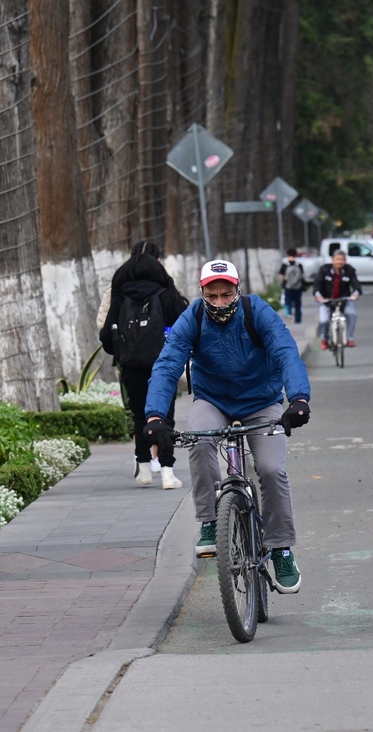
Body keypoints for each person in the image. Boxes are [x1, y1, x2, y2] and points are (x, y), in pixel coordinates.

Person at [143, 260, 311, 593]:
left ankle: (281, 548)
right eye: (212, 295)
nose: (220, 302)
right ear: (202, 293)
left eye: (226, 294)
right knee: (201, 444)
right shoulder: (192, 318)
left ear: (237, 289)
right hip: (214, 400)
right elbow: (167, 365)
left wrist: (299, 399)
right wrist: (154, 416)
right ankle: (209, 522)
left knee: (270, 467)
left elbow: (285, 351)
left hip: (261, 401)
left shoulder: (257, 311)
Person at [98, 241, 189, 489]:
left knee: (140, 416)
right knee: (165, 416)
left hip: (131, 366)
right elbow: (185, 324)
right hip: (163, 364)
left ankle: (144, 469)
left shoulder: (120, 293)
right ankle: (168, 472)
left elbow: (106, 335)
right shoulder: (165, 290)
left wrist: (122, 353)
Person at [314, 250, 361, 349]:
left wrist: (355, 294)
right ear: (332, 260)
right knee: (324, 320)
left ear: (345, 260)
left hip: (344, 300)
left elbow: (356, 284)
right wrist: (318, 296)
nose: (340, 262)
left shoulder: (350, 270)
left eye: (342, 259)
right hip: (326, 300)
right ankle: (324, 339)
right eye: (337, 259)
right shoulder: (324, 270)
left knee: (352, 315)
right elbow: (317, 285)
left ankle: (349, 338)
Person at [278, 248, 305, 323]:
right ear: (295, 255)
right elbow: (302, 276)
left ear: (287, 255)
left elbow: (281, 276)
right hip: (298, 287)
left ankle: (289, 314)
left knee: (288, 302)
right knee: (298, 304)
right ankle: (298, 319)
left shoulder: (285, 265)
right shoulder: (299, 265)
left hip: (288, 287)